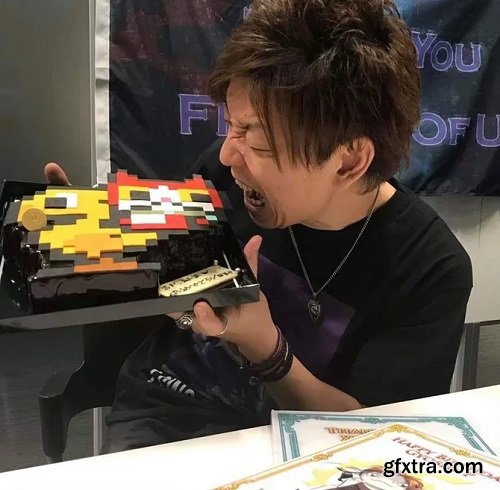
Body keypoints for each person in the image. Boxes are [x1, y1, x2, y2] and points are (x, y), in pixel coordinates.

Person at [45, 0, 472, 453]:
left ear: (349, 161)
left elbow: (372, 441)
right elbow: (170, 288)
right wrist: (96, 243)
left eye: (259, 141)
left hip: (307, 455)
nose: (229, 155)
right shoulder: (225, 175)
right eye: (232, 126)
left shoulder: (427, 268)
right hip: (165, 413)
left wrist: (264, 347)